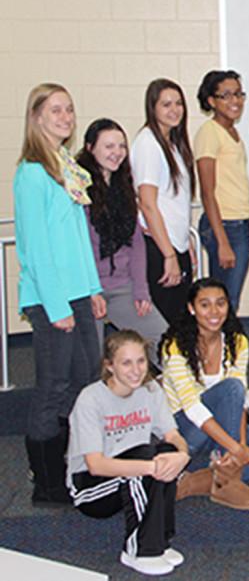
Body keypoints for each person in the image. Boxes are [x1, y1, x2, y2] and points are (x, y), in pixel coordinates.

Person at [15, 83, 105, 505]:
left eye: (69, 110)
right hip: (51, 300)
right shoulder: (32, 173)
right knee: (53, 386)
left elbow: (77, 239)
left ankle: (74, 467)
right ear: (36, 117)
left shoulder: (65, 166)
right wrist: (56, 307)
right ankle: (46, 483)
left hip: (76, 295)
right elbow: (35, 249)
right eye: (56, 110)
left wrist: (91, 290)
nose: (65, 117)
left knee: (85, 381)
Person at [66, 331, 190, 576]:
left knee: (166, 452)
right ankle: (139, 550)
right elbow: (96, 466)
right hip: (90, 489)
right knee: (147, 463)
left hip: (134, 470)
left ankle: (162, 541)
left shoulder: (151, 389)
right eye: (126, 363)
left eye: (141, 361)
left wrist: (182, 455)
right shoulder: (90, 399)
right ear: (109, 366)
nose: (136, 370)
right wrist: (152, 467)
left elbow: (173, 435)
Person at [160, 279, 249, 510]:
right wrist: (236, 448)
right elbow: (192, 408)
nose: (214, 312)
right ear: (191, 308)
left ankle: (198, 481)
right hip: (185, 429)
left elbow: (239, 404)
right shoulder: (174, 345)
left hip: (222, 425)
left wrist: (243, 442)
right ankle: (226, 474)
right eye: (205, 305)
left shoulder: (238, 342)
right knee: (231, 388)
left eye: (220, 303)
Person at [78, 118, 168, 365]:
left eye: (121, 146)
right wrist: (91, 291)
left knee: (166, 342)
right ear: (90, 148)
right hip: (86, 289)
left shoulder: (123, 186)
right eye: (109, 146)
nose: (116, 153)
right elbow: (78, 248)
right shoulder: (77, 188)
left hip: (121, 287)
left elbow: (136, 243)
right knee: (91, 362)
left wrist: (141, 289)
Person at [132, 78, 195, 324]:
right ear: (153, 108)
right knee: (166, 327)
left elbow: (174, 199)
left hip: (174, 245)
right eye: (166, 104)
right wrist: (169, 255)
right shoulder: (148, 142)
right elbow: (148, 204)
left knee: (180, 322)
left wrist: (185, 240)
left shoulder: (173, 143)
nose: (174, 110)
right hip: (159, 249)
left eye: (179, 103)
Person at [195, 69, 249, 310]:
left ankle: (226, 346)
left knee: (230, 301)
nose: (235, 101)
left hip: (240, 223)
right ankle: (218, 347)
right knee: (222, 303)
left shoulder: (232, 131)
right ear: (211, 101)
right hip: (225, 226)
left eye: (239, 94)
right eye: (226, 95)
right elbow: (207, 192)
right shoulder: (209, 133)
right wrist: (222, 242)